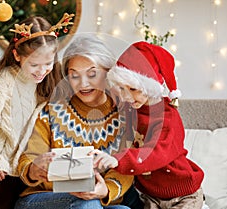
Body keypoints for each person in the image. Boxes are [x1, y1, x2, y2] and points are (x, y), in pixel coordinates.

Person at [14, 34, 133, 209]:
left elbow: (125, 165)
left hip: (96, 200)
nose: (83, 84)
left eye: (92, 74)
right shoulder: (52, 111)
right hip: (41, 198)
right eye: (74, 75)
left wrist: (105, 190)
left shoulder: (123, 115)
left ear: (107, 72)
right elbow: (28, 157)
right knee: (87, 204)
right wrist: (33, 169)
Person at [0, 15, 65, 208]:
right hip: (1, 171)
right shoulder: (2, 84)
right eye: (34, 64)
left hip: (30, 170)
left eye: (47, 64)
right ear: (17, 55)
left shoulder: (50, 81)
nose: (41, 71)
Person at [106, 41, 205, 209]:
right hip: (150, 196)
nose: (127, 97)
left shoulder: (168, 118)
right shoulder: (130, 110)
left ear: (150, 87)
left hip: (183, 194)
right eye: (122, 89)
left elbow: (155, 152)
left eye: (134, 89)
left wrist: (117, 160)